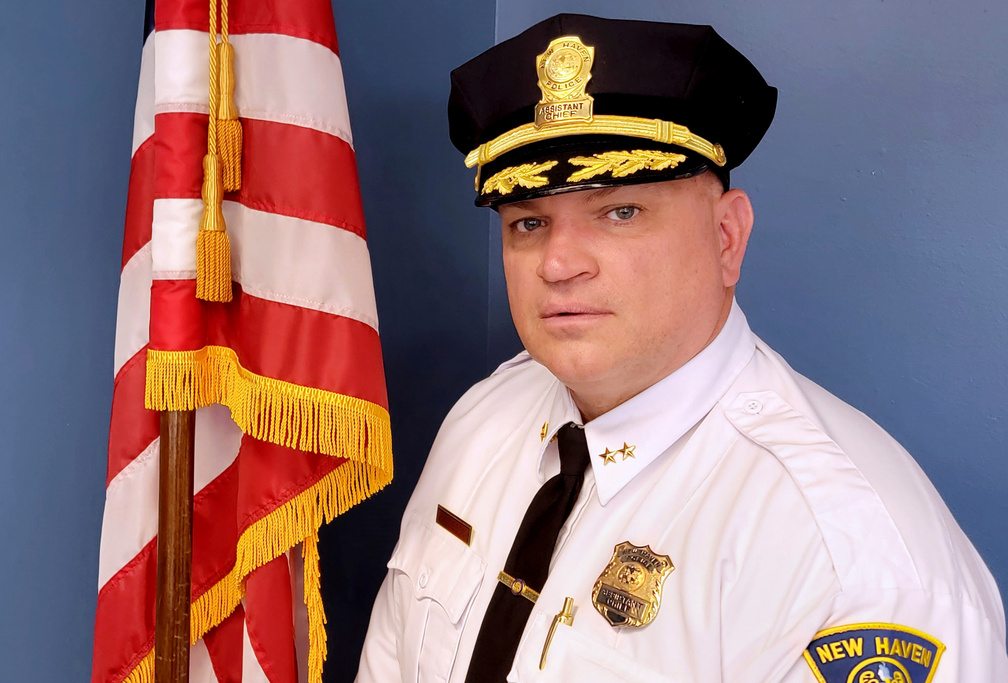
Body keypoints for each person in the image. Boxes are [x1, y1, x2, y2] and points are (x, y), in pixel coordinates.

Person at [356, 13, 1007, 683]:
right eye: (528, 223)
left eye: (620, 212)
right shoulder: (483, 418)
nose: (558, 262)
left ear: (727, 238)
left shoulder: (843, 558)